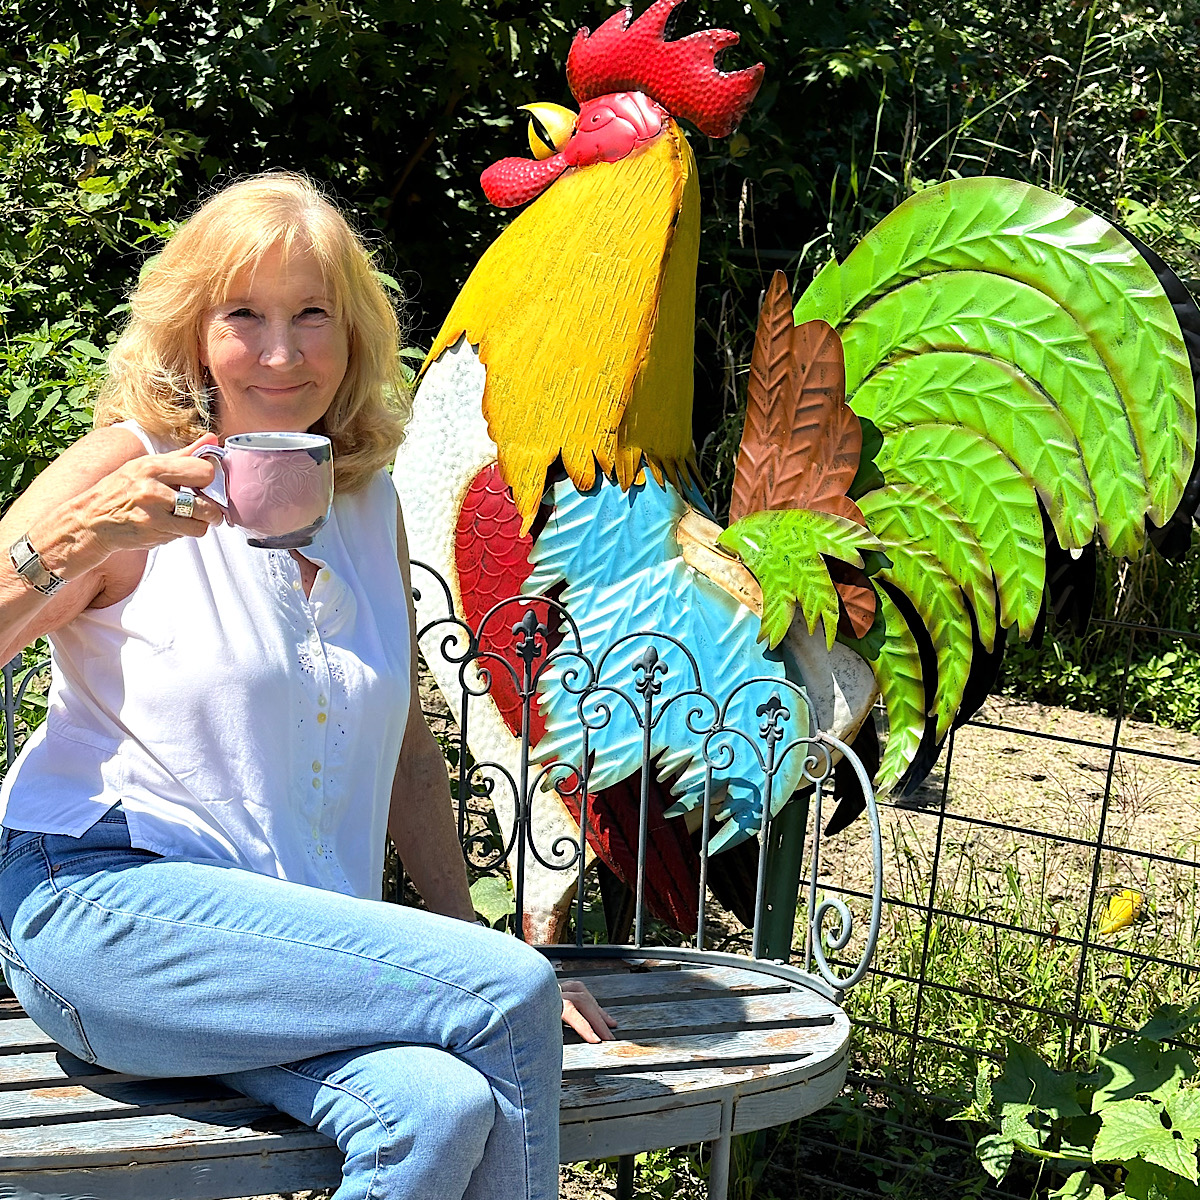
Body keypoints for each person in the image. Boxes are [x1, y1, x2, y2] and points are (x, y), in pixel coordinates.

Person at [0, 172, 614, 1200]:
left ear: (353, 336)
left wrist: (458, 931)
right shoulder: (129, 467)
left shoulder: (368, 501)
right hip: (100, 906)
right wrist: (77, 539)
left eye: (312, 316)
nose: (281, 354)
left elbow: (411, 747)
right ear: (196, 333)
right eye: (245, 315)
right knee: (515, 987)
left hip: (281, 951)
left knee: (433, 1110)